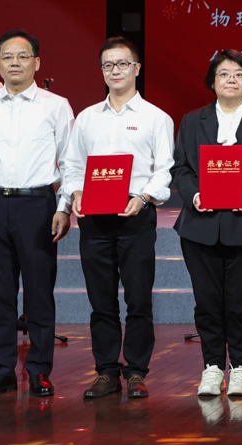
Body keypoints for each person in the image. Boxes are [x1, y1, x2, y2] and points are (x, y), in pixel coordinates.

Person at [60, 37, 173, 401]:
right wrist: (75, 193)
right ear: (102, 71)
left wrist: (143, 198)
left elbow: (164, 170)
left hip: (135, 214)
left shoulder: (156, 118)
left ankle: (137, 371)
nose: (115, 71)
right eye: (108, 65)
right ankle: (107, 372)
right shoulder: (87, 118)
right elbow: (72, 166)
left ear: (136, 68)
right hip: (94, 217)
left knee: (138, 299)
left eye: (122, 64)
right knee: (101, 300)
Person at [0, 29, 73, 398]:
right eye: (7, 57)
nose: (15, 63)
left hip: (37, 206)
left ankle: (39, 371)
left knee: (39, 292)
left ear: (37, 63)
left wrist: (63, 207)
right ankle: (4, 369)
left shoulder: (55, 106)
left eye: (23, 56)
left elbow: (70, 162)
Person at [171, 50, 242, 400]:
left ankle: (241, 368)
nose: (231, 79)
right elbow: (181, 168)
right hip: (200, 225)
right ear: (212, 81)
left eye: (238, 74)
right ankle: (212, 367)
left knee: (239, 303)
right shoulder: (193, 120)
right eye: (223, 73)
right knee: (207, 302)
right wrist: (194, 196)